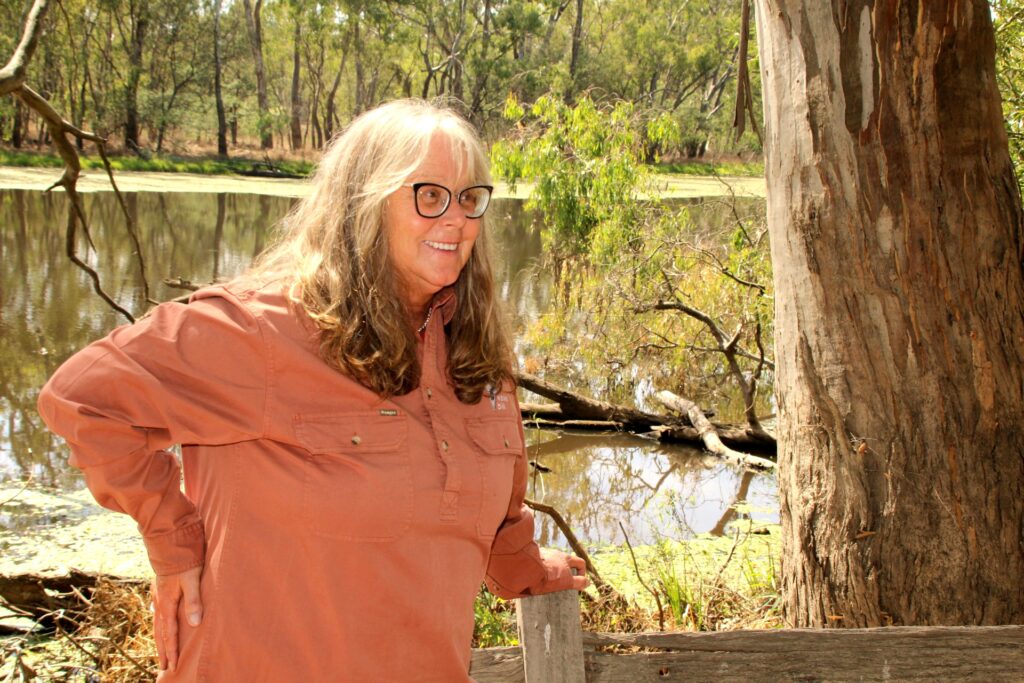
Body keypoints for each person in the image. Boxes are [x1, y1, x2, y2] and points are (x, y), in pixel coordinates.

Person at [37, 98, 588, 681]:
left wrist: (530, 570)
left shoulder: (478, 360)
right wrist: (174, 544)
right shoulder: (258, 331)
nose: (456, 219)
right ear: (363, 203)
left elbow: (495, 513)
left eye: (470, 198)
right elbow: (82, 398)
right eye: (429, 196)